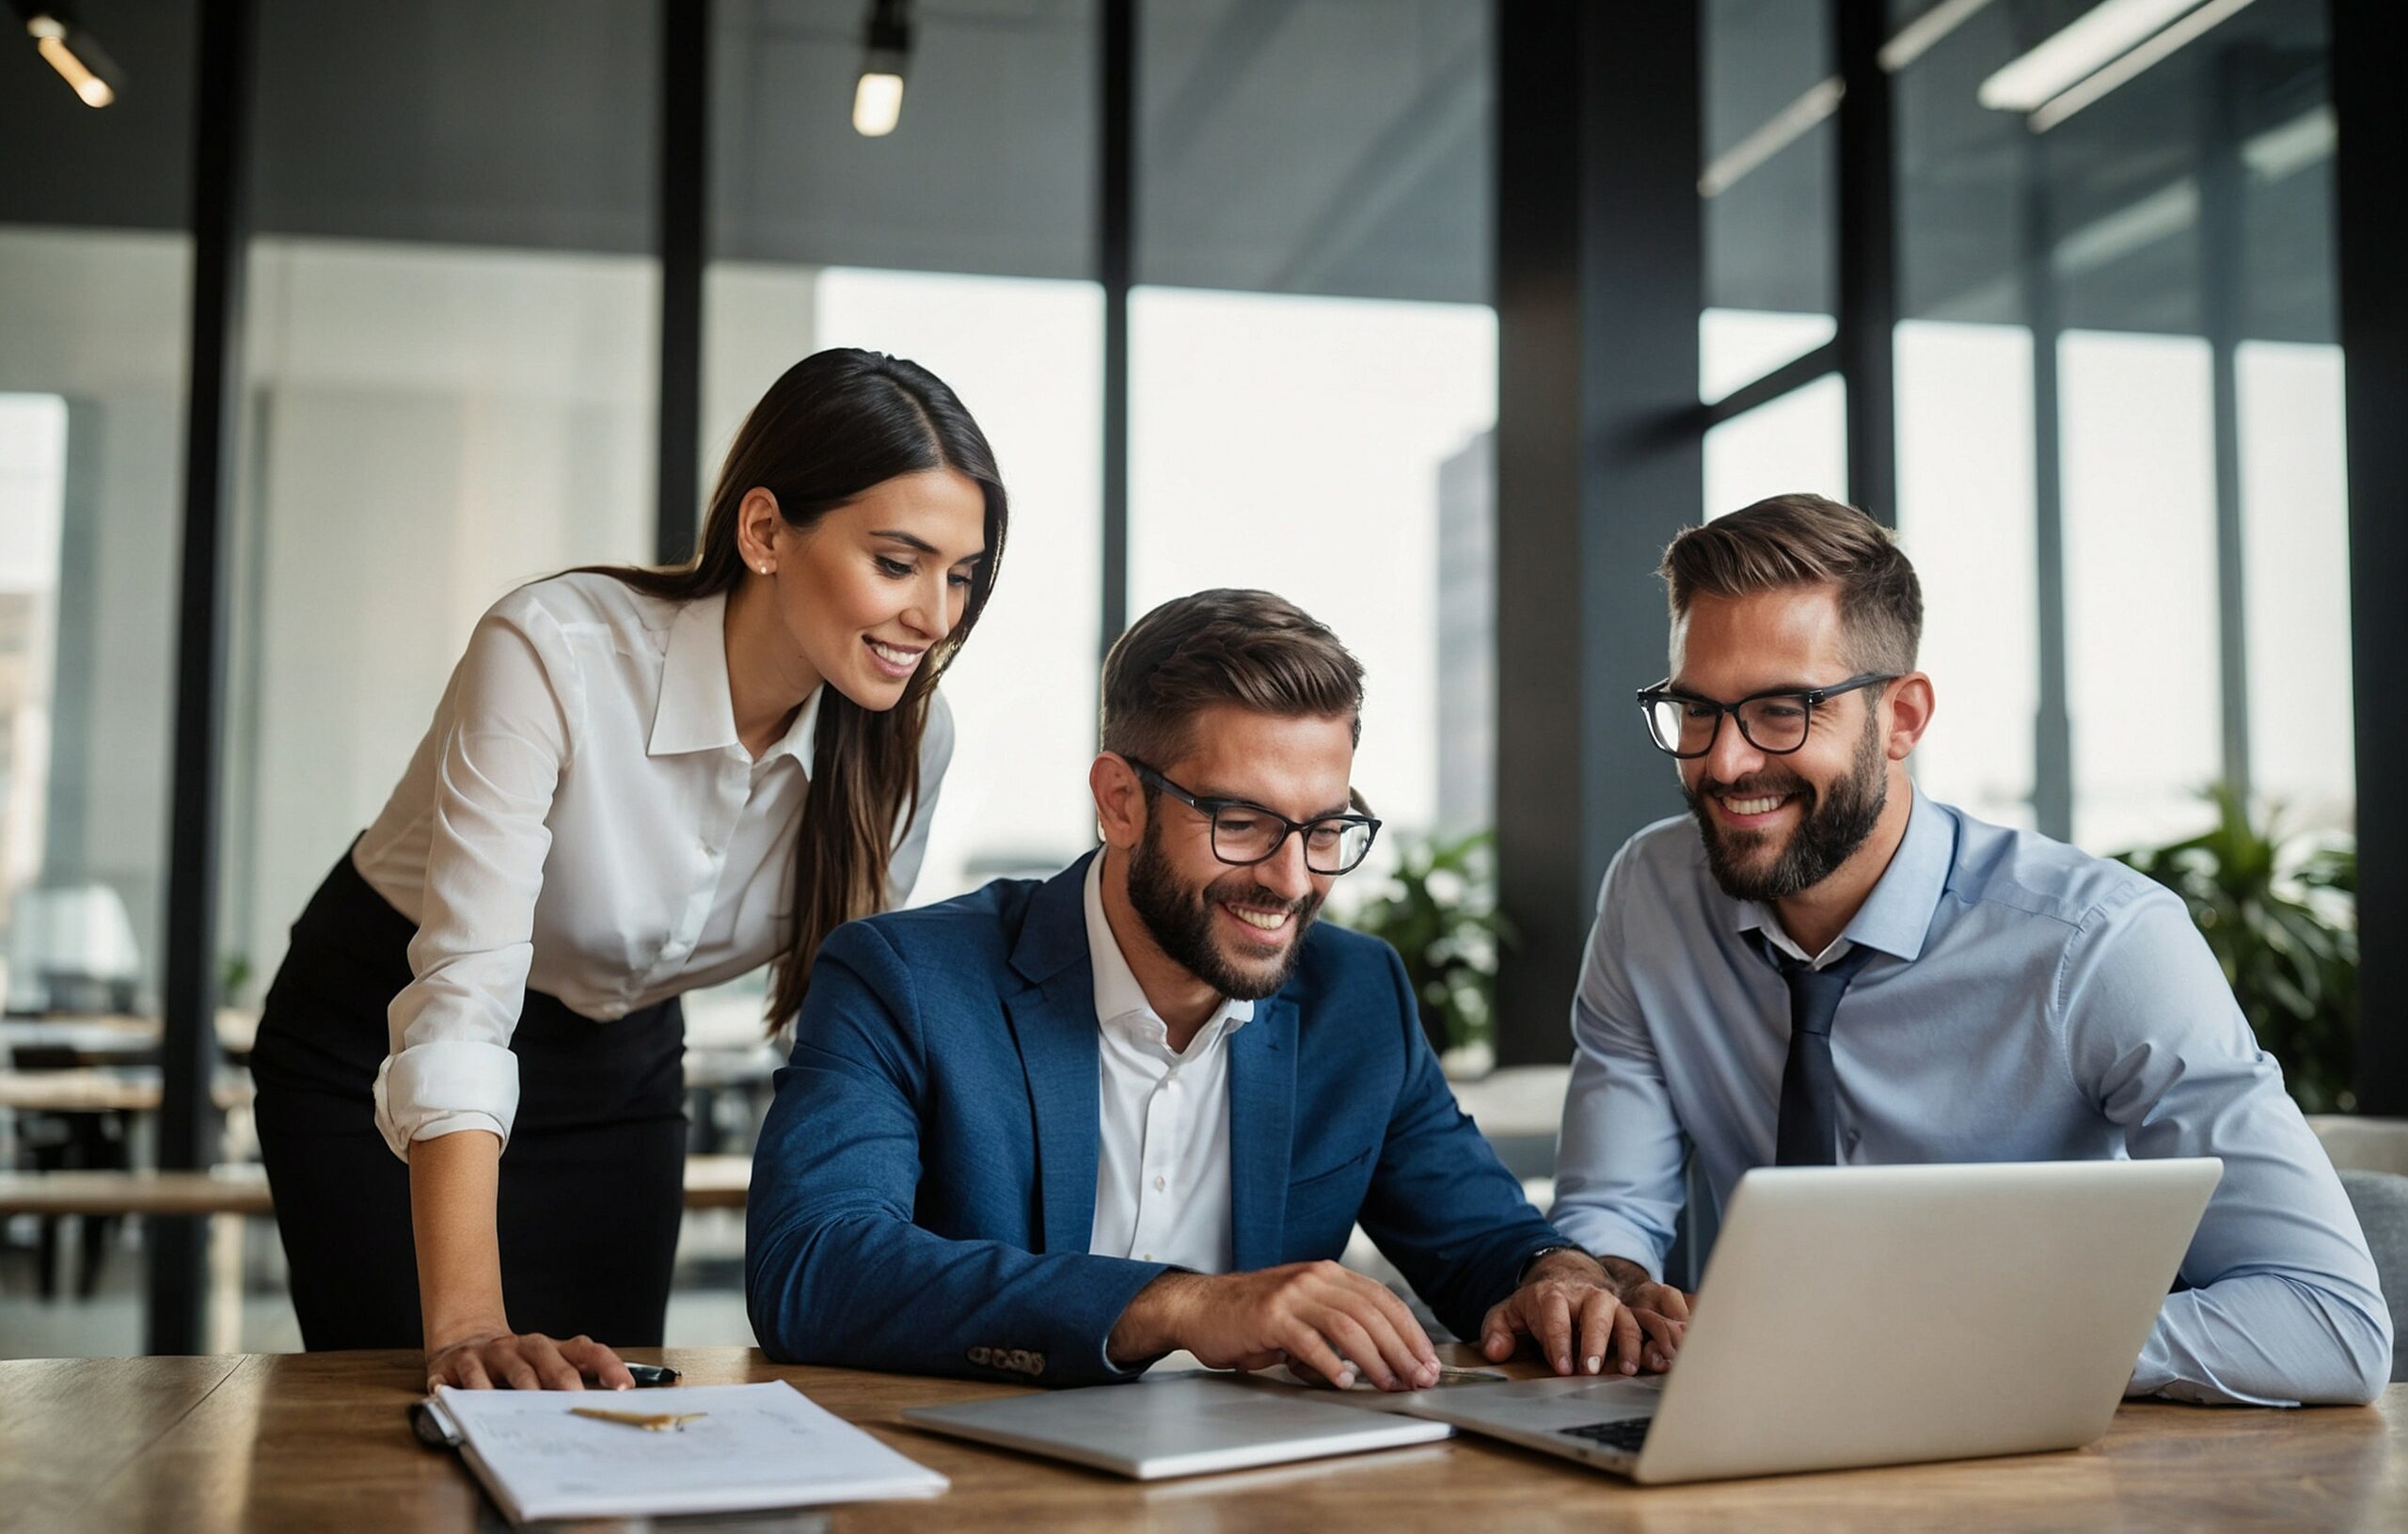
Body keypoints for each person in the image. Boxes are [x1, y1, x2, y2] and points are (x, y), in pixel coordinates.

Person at [248, 348, 1006, 1391]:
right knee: (425, 1406)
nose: (938, 615)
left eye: (960, 573)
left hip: (622, 1063)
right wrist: (468, 1321)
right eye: (897, 561)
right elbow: (462, 1005)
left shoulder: (904, 739)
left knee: (604, 1406)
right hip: (378, 1027)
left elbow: (856, 1034)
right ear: (765, 532)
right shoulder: (553, 652)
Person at [1545, 492, 2390, 1407]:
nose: (1722, 761)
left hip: (2026, 1443)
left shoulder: (2100, 944)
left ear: (1902, 717)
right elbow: (1611, 1208)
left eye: (1783, 709)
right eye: (1695, 709)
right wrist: (1593, 1282)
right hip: (1744, 1428)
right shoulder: (1652, 896)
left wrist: (1927, 1343)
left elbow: (2329, 1320)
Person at [747, 589, 1671, 1388]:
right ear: (1119, 800)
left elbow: (1482, 1240)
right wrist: (1177, 1304)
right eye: (1241, 821)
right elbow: (813, 1267)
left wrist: (1557, 1278)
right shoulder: (907, 978)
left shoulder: (1357, 994)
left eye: (1324, 828)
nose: (1292, 879)